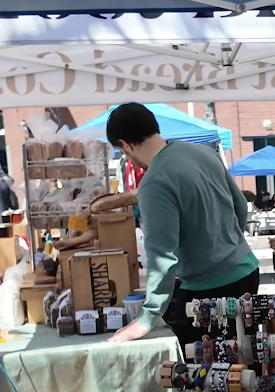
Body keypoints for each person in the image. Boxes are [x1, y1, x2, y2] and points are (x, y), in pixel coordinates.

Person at [105, 102, 258, 346]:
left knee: (211, 366)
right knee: (249, 358)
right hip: (247, 271)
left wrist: (148, 317)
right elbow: (239, 205)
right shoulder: (204, 153)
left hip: (209, 292)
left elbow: (162, 257)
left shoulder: (154, 183)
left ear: (125, 145)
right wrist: (225, 244)